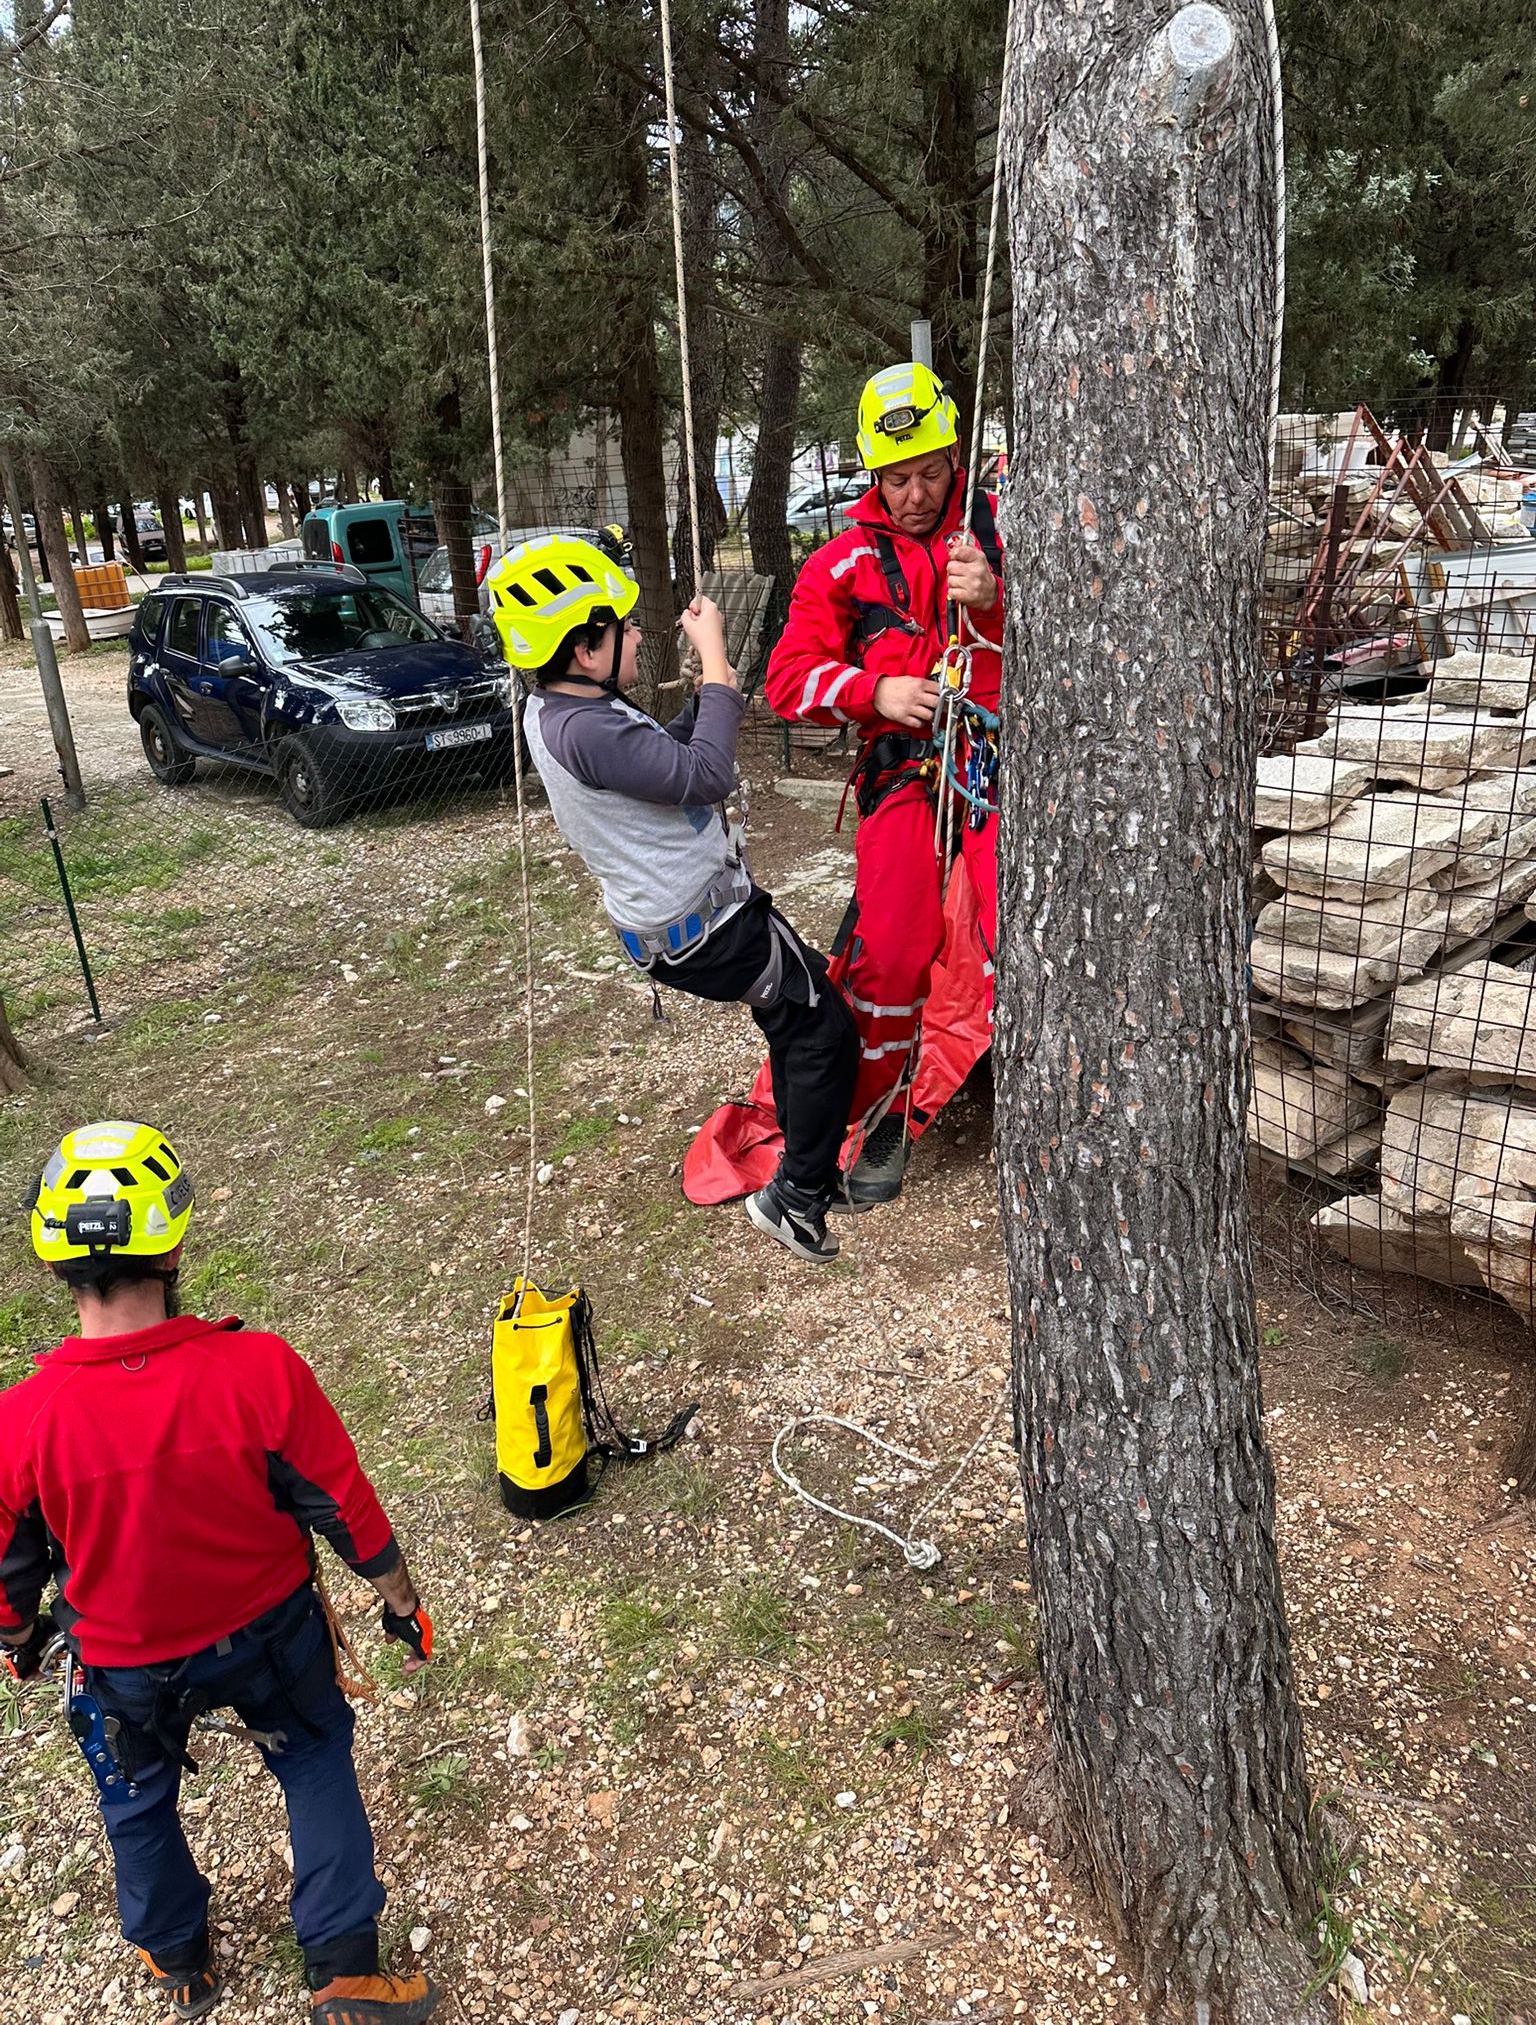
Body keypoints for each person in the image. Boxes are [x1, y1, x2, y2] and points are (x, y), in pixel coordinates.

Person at [0, 1121, 440, 2025]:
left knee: (135, 1798)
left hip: (122, 1666)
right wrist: (401, 1602)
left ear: (53, 1261)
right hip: (270, 1636)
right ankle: (345, 1974)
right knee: (313, 1755)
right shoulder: (257, 1369)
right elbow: (343, 1505)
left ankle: (178, 1960)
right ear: (172, 1247)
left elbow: (9, 1576)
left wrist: (20, 1640)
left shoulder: (21, 1422)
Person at [489, 532, 858, 1262]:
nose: (636, 635)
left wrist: (704, 702)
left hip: (685, 927)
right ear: (585, 651)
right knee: (824, 1028)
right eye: (623, 628)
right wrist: (717, 667)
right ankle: (797, 1198)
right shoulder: (586, 726)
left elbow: (660, 762)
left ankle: (803, 1161)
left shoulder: (562, 710)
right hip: (710, 931)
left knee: (796, 1013)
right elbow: (705, 775)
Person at [765, 362, 1005, 1206]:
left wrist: (998, 598)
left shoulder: (1001, 530)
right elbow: (787, 680)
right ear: (873, 473)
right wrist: (877, 692)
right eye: (897, 478)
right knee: (895, 948)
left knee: (1013, 930)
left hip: (999, 764)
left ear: (954, 459)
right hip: (905, 771)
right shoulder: (842, 566)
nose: (915, 495)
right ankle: (881, 1108)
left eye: (931, 473)